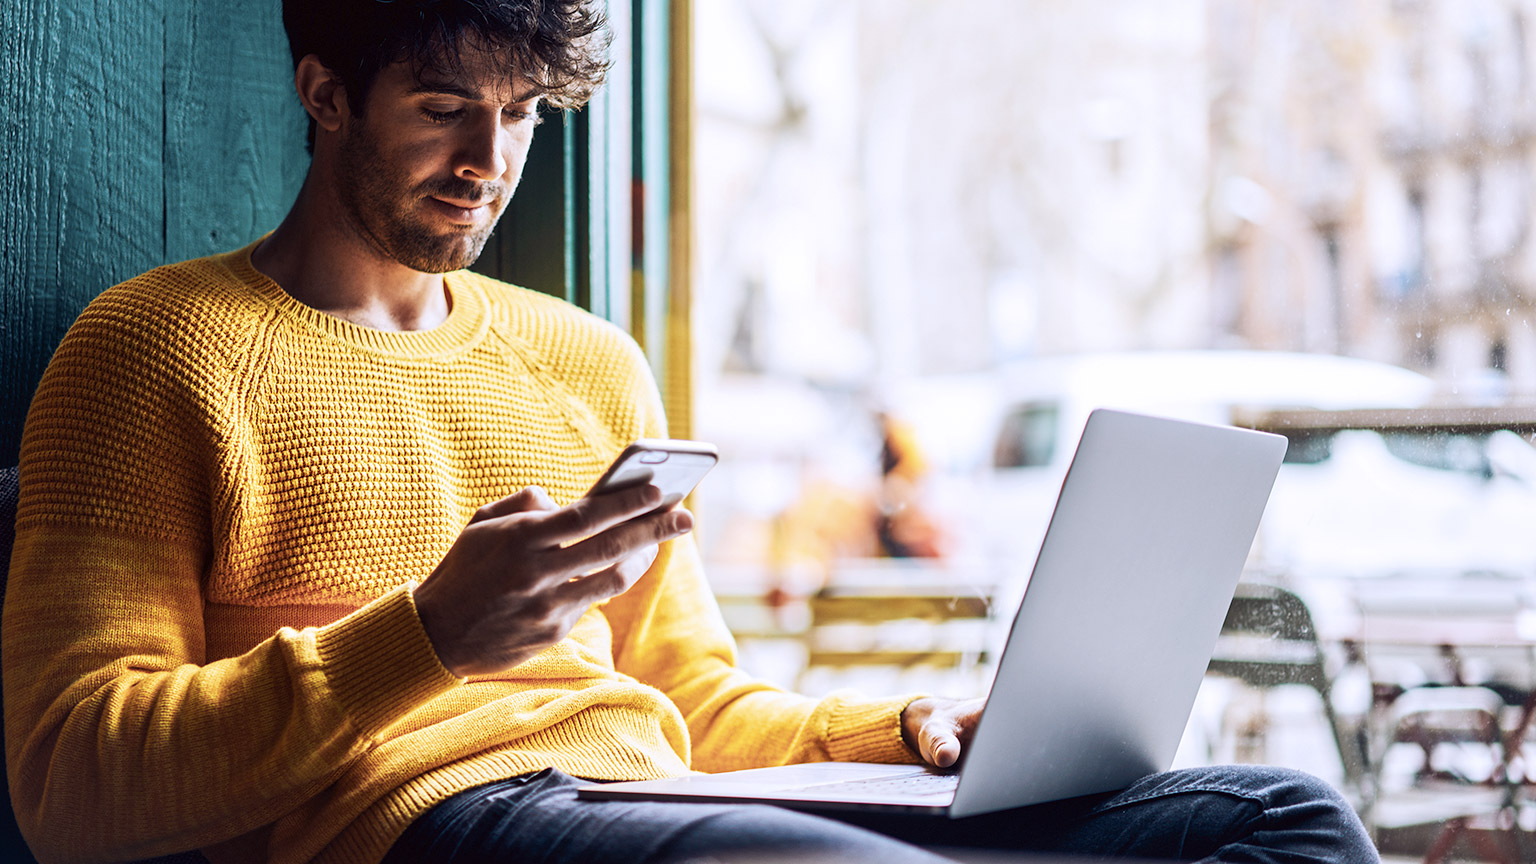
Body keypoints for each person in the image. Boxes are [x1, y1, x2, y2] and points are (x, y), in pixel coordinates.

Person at [2, 2, 1378, 863]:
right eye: (442, 111)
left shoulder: (583, 362)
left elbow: (699, 707)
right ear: (324, 94)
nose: (488, 162)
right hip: (427, 824)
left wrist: (897, 733)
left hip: (639, 799)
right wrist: (423, 638)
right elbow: (72, 785)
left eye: (525, 115)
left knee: (1274, 823)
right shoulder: (155, 352)